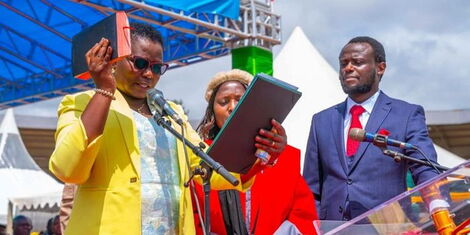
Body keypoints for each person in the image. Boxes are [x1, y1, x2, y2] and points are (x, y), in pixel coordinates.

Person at [48, 22, 280, 235]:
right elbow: (68, 169)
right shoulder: (81, 104)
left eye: (157, 67)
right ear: (115, 60)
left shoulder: (172, 113)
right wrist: (104, 90)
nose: (148, 74)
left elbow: (211, 171)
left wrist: (263, 153)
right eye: (139, 63)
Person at [302, 36, 440, 221]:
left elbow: (425, 168)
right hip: (332, 228)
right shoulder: (322, 120)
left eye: (357, 62)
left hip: (387, 227)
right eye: (344, 63)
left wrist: (438, 205)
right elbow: (311, 188)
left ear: (380, 67)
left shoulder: (406, 115)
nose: (348, 68)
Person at [193, 69, 318, 235]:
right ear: (212, 112)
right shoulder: (200, 156)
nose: (232, 107)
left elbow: (302, 216)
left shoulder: (284, 156)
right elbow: (193, 216)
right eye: (223, 102)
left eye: (240, 100)